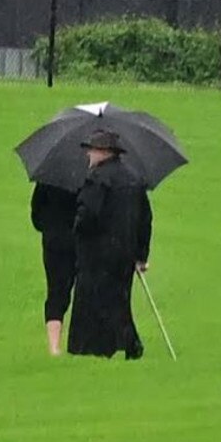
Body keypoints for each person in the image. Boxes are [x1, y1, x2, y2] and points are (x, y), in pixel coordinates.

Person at [70, 130, 152, 360]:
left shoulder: (97, 179)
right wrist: (141, 254)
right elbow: (145, 219)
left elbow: (88, 214)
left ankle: (97, 347)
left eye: (92, 149)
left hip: (97, 253)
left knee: (93, 302)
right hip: (124, 253)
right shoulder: (134, 178)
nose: (89, 154)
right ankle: (125, 343)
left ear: (104, 152)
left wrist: (77, 229)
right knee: (118, 300)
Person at [31, 182, 78, 356]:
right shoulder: (93, 177)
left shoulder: (49, 179)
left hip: (55, 242)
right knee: (87, 292)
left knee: (56, 293)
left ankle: (54, 346)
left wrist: (50, 227)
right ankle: (83, 343)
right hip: (85, 241)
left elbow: (36, 216)